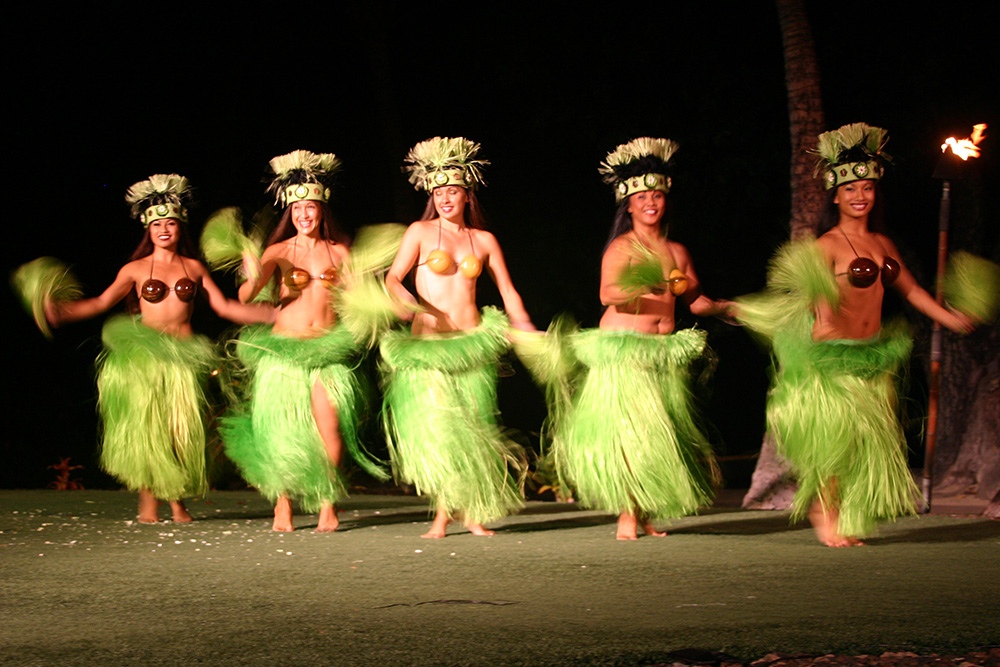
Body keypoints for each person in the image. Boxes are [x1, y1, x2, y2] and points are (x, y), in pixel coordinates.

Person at [745, 123, 973, 547]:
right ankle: (823, 513)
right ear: (835, 194)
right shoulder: (825, 246)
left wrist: (949, 317)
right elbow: (810, 296)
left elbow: (911, 291)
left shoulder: (883, 243)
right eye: (851, 189)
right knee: (836, 444)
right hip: (832, 356)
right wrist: (824, 312)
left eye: (867, 188)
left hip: (871, 355)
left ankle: (844, 515)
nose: (859, 196)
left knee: (861, 448)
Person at [28, 174, 275, 523]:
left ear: (181, 227)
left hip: (184, 360)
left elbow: (224, 307)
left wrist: (266, 313)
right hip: (145, 358)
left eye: (170, 223)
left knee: (179, 433)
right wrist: (63, 311)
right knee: (150, 432)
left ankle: (176, 501)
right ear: (147, 228)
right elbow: (100, 303)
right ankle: (148, 501)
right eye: (157, 224)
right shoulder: (135, 269)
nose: (164, 229)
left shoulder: (194, 267)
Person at [554, 137, 730, 540]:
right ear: (628, 204)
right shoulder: (622, 248)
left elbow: (694, 300)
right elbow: (607, 295)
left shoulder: (677, 252)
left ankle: (645, 511)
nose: (651, 202)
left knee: (657, 436)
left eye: (657, 195)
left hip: (662, 354)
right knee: (632, 437)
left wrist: (724, 307)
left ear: (666, 200)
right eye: (642, 196)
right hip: (625, 355)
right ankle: (627, 515)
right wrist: (645, 283)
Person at [382, 136, 533, 538]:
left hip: (470, 344)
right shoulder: (418, 232)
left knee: (475, 428)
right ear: (432, 195)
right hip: (430, 347)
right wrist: (406, 302)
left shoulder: (483, 241)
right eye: (440, 192)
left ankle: (472, 513)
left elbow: (508, 291)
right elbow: (393, 277)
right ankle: (442, 515)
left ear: (467, 195)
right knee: (442, 432)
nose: (447, 198)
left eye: (454, 191)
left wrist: (527, 328)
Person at [222, 150, 381, 532]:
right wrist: (252, 268)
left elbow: (358, 298)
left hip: (328, 350)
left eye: (310, 207)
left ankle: (328, 502)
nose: (304, 215)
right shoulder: (278, 252)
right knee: (282, 431)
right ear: (289, 212)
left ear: (322, 208)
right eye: (297, 209)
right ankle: (283, 505)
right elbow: (247, 296)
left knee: (330, 426)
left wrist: (374, 297)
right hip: (285, 351)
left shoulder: (340, 253)